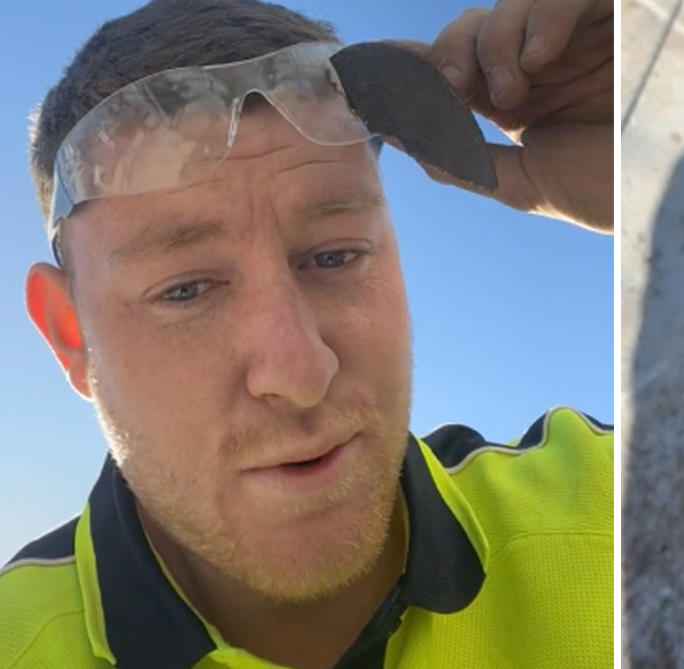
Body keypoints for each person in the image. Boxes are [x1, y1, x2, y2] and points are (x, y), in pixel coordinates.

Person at [0, 0, 613, 667]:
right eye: (184, 290)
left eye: (334, 256)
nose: (298, 370)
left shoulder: (618, 513)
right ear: (71, 335)